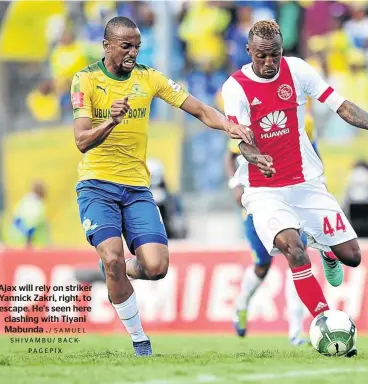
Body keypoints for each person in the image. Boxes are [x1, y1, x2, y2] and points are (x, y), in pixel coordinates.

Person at [221, 20, 368, 356]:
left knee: (351, 257)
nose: (269, 63)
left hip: (307, 182)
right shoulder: (235, 87)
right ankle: (325, 322)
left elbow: (340, 105)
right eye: (262, 56)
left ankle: (325, 248)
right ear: (249, 51)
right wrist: (257, 158)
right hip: (264, 189)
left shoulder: (296, 70)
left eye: (275, 55)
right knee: (293, 249)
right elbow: (241, 141)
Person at [71, 16, 252, 357]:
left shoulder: (149, 78)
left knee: (156, 268)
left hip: (137, 189)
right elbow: (81, 141)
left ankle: (115, 270)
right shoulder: (86, 80)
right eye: (126, 46)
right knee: (112, 255)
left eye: (137, 46)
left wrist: (229, 125)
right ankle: (140, 339)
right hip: (96, 185)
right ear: (107, 45)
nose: (133, 52)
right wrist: (111, 120)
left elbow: (198, 109)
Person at [226, 138, 307, 345]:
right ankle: (242, 303)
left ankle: (296, 330)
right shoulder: (251, 121)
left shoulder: (302, 121)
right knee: (262, 265)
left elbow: (311, 152)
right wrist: (235, 184)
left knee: (298, 260)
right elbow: (231, 154)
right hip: (257, 204)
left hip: (288, 200)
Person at [8, 181, 50, 249]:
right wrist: (28, 241)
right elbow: (32, 224)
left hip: (15, 242)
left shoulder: (24, 201)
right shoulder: (38, 205)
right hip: (31, 245)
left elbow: (14, 219)